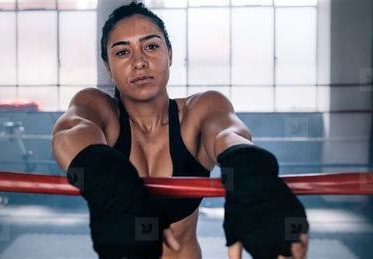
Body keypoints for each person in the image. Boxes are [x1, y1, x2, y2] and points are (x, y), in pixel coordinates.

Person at [52, 2, 309, 259]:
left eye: (151, 46)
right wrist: (108, 180)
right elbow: (72, 131)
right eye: (122, 52)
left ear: (170, 54)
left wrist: (250, 169)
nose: (139, 62)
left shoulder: (201, 110)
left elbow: (227, 134)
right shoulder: (98, 108)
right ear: (108, 67)